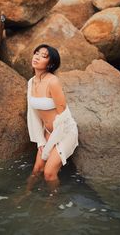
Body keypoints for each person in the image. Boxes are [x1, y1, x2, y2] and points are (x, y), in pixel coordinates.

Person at [27, 44, 79, 192]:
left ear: (50, 64)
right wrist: (40, 139)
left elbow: (63, 116)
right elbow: (33, 114)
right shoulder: (31, 82)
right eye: (36, 53)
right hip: (48, 132)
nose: (36, 57)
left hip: (64, 132)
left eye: (43, 56)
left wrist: (49, 146)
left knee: (49, 174)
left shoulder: (53, 82)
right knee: (37, 169)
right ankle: (25, 194)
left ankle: (52, 204)